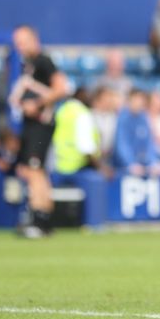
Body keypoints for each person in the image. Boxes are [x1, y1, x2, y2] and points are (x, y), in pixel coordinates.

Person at [8, 25, 68, 238]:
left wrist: (37, 104)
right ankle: (43, 217)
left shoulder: (43, 61)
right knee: (34, 170)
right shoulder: (27, 65)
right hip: (31, 126)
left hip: (41, 124)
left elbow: (61, 88)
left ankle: (38, 217)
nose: (19, 46)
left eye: (22, 41)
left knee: (34, 170)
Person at [50, 86, 108, 229]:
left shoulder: (62, 111)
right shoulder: (82, 114)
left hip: (57, 166)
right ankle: (94, 224)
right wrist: (102, 168)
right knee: (97, 179)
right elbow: (86, 148)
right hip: (77, 168)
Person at [112, 89, 160, 177]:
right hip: (123, 166)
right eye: (136, 99)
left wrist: (153, 162)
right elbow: (121, 144)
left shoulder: (144, 118)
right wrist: (130, 164)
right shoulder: (123, 118)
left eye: (141, 100)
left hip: (143, 164)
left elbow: (149, 143)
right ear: (130, 100)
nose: (139, 103)